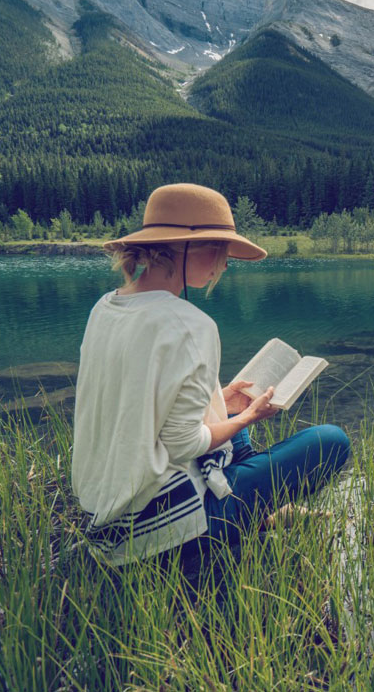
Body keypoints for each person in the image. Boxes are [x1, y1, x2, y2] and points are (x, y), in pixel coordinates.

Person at [71, 183, 350, 566]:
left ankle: (257, 510)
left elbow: (138, 401)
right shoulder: (190, 326)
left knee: (228, 408)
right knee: (332, 442)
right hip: (162, 532)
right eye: (221, 250)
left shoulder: (104, 309)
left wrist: (222, 397)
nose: (225, 263)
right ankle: (244, 513)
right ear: (187, 249)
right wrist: (251, 416)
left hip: (106, 517)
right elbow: (184, 446)